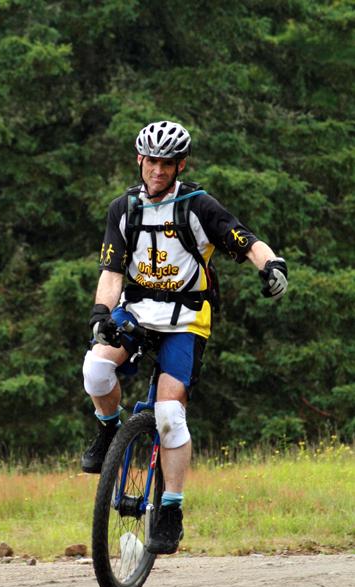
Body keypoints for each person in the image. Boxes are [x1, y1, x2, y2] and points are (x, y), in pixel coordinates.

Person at [81, 120, 288, 555]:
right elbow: (112, 272)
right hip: (137, 309)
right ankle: (107, 430)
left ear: (180, 164)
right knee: (95, 368)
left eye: (167, 163)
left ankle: (171, 507)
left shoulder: (198, 206)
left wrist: (271, 267)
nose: (158, 170)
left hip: (186, 317)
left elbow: (247, 241)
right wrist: (102, 313)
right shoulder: (124, 209)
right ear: (140, 160)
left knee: (170, 414)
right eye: (152, 161)